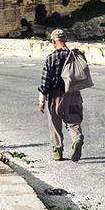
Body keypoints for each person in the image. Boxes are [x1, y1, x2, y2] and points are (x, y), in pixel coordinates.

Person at [38, 28, 84, 161]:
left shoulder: (51, 58)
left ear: (53, 41)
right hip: (74, 94)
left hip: (56, 96)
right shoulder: (75, 56)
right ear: (65, 40)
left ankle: (57, 151)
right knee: (73, 122)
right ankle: (77, 139)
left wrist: (41, 101)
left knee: (55, 124)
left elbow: (45, 83)